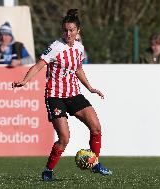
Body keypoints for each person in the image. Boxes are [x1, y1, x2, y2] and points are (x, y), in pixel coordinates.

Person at [12, 9, 112, 181]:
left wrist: (90, 88)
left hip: (74, 94)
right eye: (65, 30)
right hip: (55, 96)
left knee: (96, 126)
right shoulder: (55, 47)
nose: (68, 33)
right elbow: (38, 66)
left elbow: (78, 69)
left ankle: (94, 163)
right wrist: (25, 80)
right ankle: (48, 171)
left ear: (78, 30)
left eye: (71, 30)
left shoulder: (79, 48)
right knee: (64, 138)